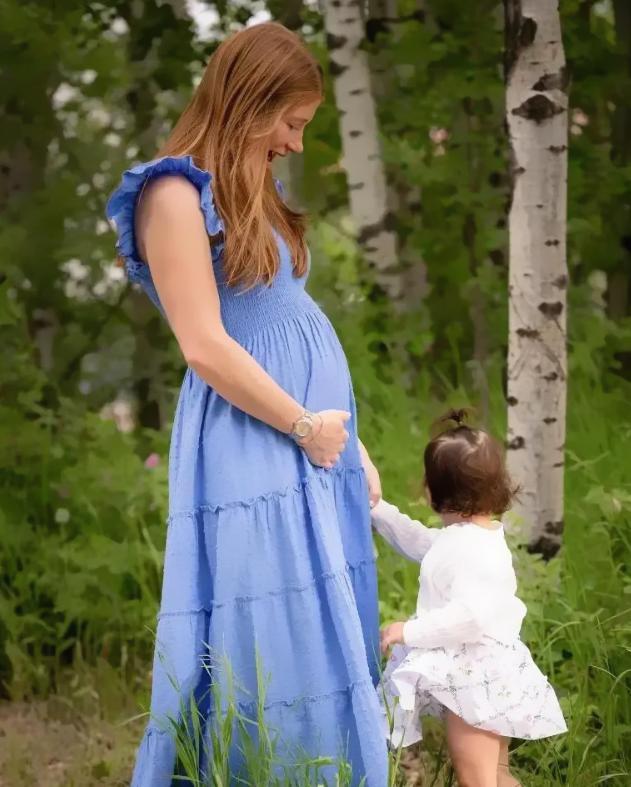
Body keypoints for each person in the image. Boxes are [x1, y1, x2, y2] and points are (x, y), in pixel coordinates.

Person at [106, 21, 387, 787]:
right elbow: (203, 342)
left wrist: (349, 443)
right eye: (289, 122)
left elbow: (286, 313)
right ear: (249, 102)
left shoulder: (253, 187)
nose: (295, 143)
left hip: (310, 438)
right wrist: (302, 423)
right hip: (255, 435)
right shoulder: (171, 194)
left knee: (319, 622)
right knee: (268, 627)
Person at [372, 410, 566, 787]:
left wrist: (409, 631)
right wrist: (378, 512)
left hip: (476, 680)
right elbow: (424, 543)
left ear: (435, 492)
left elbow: (470, 617)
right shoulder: (475, 537)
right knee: (495, 775)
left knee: (477, 780)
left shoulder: (469, 549)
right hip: (490, 672)